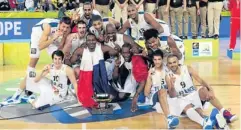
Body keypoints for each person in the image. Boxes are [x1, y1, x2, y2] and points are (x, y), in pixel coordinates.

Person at [2, 17, 72, 105]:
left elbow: (61, 45)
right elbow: (40, 46)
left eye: (67, 27)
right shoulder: (48, 27)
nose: (65, 29)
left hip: (51, 37)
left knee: (59, 60)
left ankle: (62, 92)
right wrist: (54, 38)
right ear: (60, 24)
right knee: (32, 66)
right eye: (63, 27)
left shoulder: (66, 30)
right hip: (37, 36)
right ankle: (16, 95)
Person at [165, 54, 238, 127]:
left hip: (193, 96)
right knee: (192, 109)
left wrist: (210, 90)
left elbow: (200, 80)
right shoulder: (168, 76)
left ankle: (224, 113)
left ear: (178, 62)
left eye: (174, 62)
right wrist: (172, 84)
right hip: (182, 100)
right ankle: (204, 122)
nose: (172, 65)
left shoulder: (187, 68)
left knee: (204, 90)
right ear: (167, 64)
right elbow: (172, 95)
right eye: (170, 63)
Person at [144, 50, 179, 129]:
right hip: (155, 97)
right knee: (162, 90)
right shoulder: (151, 72)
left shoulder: (167, 69)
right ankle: (169, 118)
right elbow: (146, 93)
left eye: (159, 59)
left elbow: (171, 89)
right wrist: (149, 78)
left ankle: (171, 122)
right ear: (153, 60)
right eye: (155, 60)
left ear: (162, 59)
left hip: (167, 94)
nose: (157, 62)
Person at [112, 43, 148, 112]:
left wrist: (135, 97)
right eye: (124, 53)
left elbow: (143, 80)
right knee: (122, 93)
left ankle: (136, 92)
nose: (126, 55)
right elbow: (115, 77)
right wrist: (116, 66)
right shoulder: (121, 58)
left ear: (131, 52)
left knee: (127, 94)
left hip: (143, 76)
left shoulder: (137, 60)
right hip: (131, 74)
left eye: (128, 53)